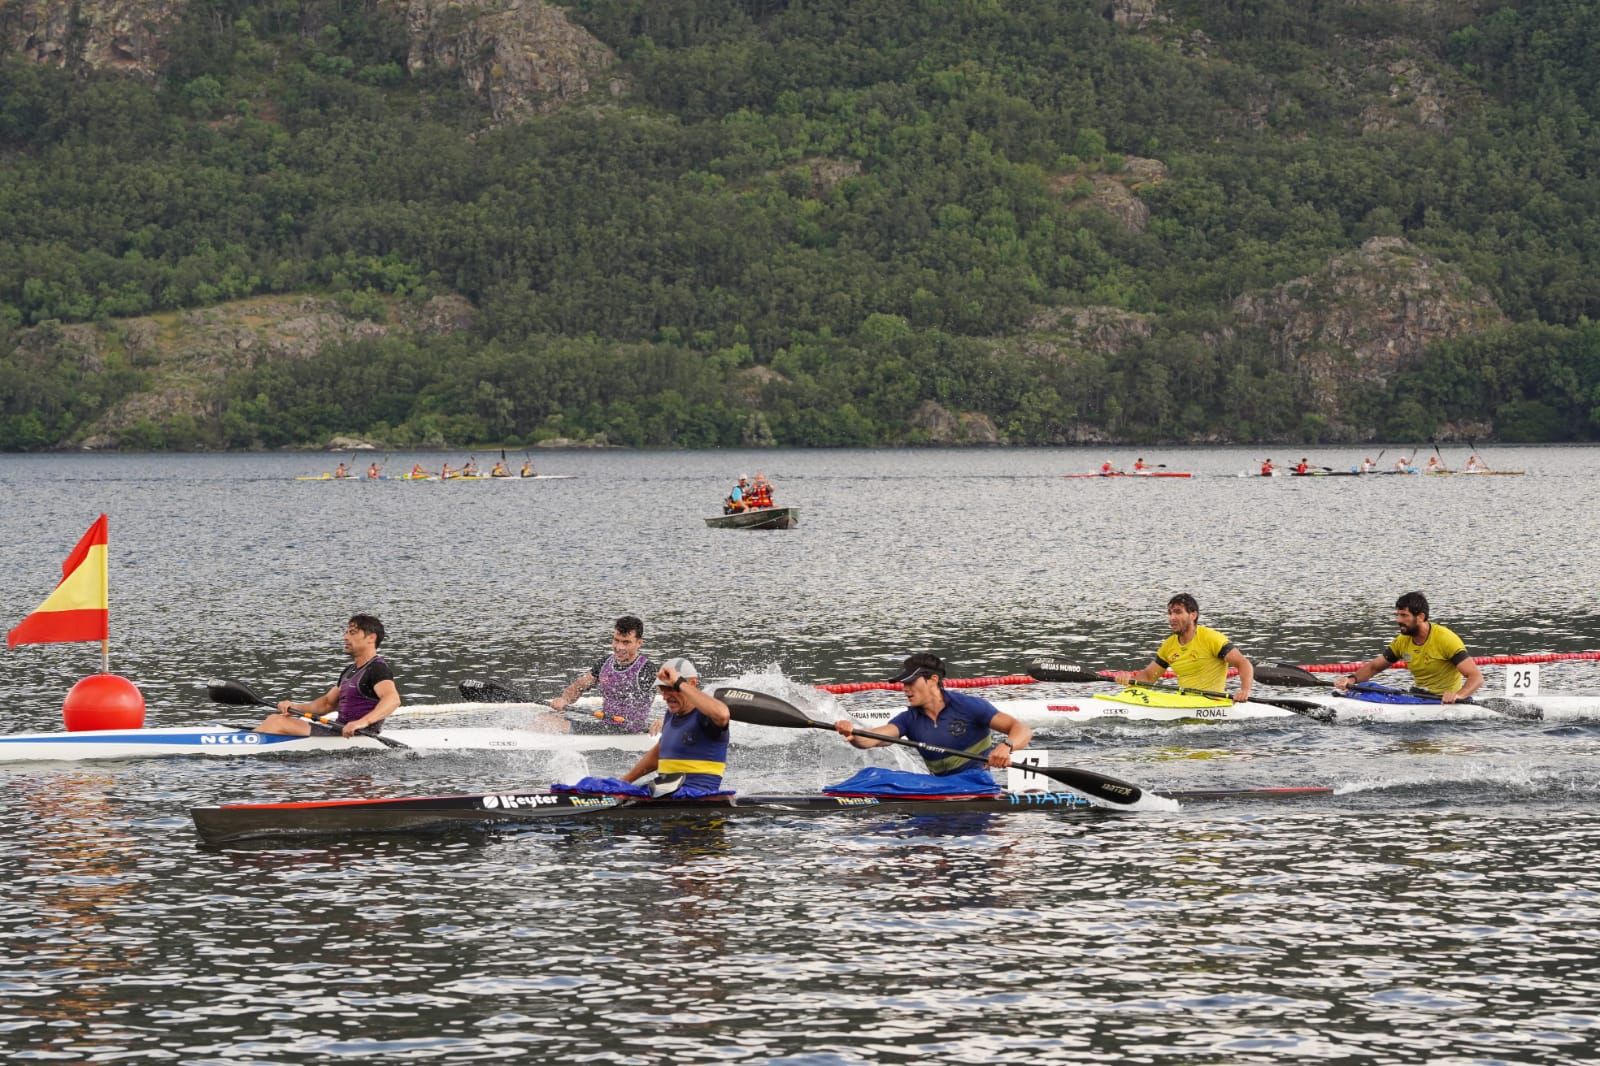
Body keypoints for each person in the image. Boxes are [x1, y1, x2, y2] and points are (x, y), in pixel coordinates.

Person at [833, 654, 1031, 775]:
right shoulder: (909, 719)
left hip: (977, 783)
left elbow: (1022, 729)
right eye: (904, 683)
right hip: (939, 788)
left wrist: (1007, 746)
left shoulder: (968, 706)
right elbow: (873, 739)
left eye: (911, 682)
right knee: (873, 775)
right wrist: (853, 734)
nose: (905, 689)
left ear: (933, 680)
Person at [256, 615, 400, 737]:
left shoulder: (377, 669)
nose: (345, 637)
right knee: (274, 718)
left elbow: (392, 700)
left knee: (276, 722)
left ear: (371, 638)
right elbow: (326, 704)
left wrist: (362, 722)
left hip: (358, 735)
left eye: (352, 633)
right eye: (346, 633)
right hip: (338, 731)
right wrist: (294, 707)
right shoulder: (350, 670)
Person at [1334, 591, 1484, 703]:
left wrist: (1458, 695)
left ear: (1421, 617)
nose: (1398, 620)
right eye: (1398, 615)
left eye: (1404, 615)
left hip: (1439, 700)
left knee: (1370, 694)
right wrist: (1351, 680)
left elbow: (1476, 677)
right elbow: (1374, 667)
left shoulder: (1446, 639)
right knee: (1366, 686)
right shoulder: (1402, 641)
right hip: (1417, 695)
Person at [1113, 594, 1255, 702]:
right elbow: (1149, 676)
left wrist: (1245, 691)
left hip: (1212, 703)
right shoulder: (1168, 645)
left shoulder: (1211, 638)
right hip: (1184, 702)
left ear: (1193, 615)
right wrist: (1129, 680)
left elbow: (1243, 663)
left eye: (1178, 612)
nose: (1172, 618)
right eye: (1170, 613)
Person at [620, 659, 731, 792]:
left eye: (671, 689)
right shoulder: (671, 714)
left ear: (692, 683)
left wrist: (678, 683)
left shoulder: (706, 715)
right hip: (666, 793)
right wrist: (624, 782)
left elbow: (723, 715)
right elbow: (659, 752)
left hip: (698, 796)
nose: (665, 697)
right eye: (662, 690)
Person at [549, 615, 657, 733]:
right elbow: (579, 686)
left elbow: (672, 697)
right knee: (545, 719)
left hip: (631, 731)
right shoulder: (605, 663)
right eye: (616, 640)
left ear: (639, 643)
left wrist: (664, 721)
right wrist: (564, 699)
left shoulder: (647, 670)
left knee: (554, 724)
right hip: (604, 727)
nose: (619, 647)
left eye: (626, 642)